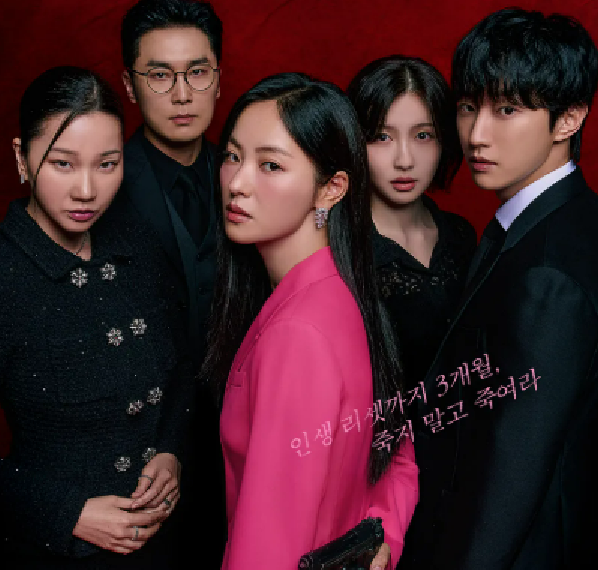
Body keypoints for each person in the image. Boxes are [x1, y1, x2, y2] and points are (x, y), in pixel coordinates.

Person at [399, 8, 598, 570]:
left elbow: (513, 470)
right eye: (468, 107)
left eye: (507, 110)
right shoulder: (554, 223)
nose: (476, 135)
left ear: (568, 118)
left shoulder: (548, 276)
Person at [202, 72, 419, 570]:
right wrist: (381, 534)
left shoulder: (297, 333)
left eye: (270, 165)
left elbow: (269, 546)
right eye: (232, 156)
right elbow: (397, 451)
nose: (237, 183)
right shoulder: (342, 296)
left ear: (331, 189)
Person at [0, 66, 193, 569]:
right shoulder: (7, 276)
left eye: (107, 164)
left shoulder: (137, 243)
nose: (87, 190)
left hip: (166, 544)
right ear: (21, 158)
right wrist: (64, 514)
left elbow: (183, 366)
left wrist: (171, 450)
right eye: (63, 164)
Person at [113, 0, 226, 563]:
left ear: (218, 78)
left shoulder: (247, 172)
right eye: (160, 75)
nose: (182, 94)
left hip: (238, 451)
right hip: (137, 469)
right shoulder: (100, 186)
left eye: (197, 72)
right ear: (129, 86)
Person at [347, 55, 477, 393]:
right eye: (382, 137)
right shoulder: (341, 248)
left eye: (423, 136)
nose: (404, 160)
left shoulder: (461, 236)